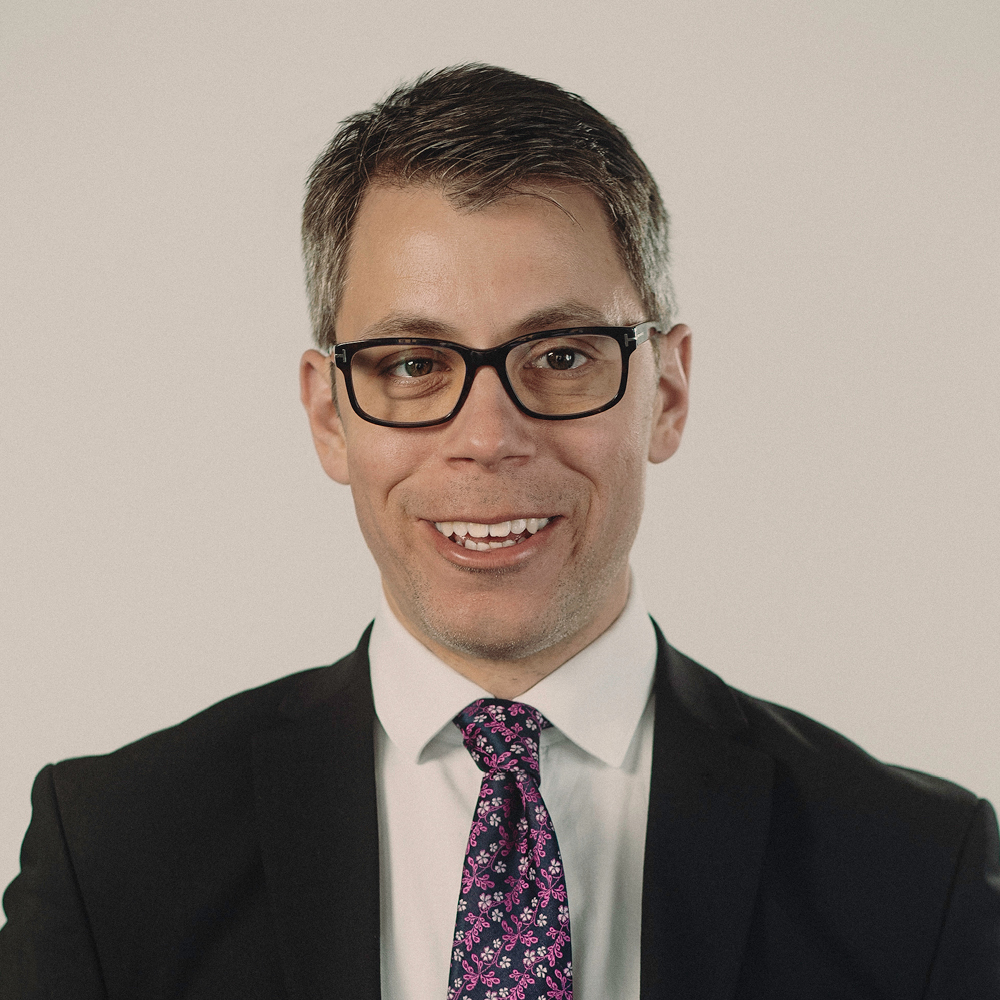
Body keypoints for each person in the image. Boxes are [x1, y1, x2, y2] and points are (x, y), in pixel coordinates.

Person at [1, 63, 997, 1000]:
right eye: (411, 363)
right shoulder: (112, 857)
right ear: (328, 414)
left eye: (560, 355)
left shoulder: (916, 870)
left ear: (668, 392)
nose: (486, 437)